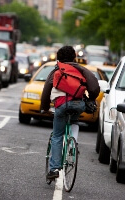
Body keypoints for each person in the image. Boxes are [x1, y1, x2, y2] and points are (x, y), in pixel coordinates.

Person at [41, 45, 100, 180]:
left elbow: (46, 91)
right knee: (74, 120)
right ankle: (73, 144)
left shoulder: (57, 69)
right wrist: (90, 99)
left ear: (58, 58)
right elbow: (94, 87)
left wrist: (45, 108)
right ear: (75, 57)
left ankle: (55, 168)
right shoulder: (82, 70)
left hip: (61, 104)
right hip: (78, 104)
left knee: (57, 136)